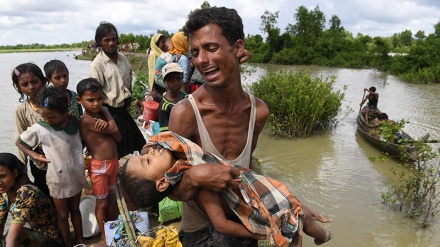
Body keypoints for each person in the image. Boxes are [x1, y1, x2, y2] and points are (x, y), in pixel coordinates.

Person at [166, 6, 270, 246]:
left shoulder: (258, 112)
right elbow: (169, 190)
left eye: (211, 48)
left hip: (244, 221)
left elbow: (248, 167)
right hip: (200, 233)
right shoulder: (185, 114)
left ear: (238, 48)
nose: (202, 60)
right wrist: (195, 177)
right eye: (195, 52)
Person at [122, 131, 333, 246]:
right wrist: (260, 235)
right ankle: (321, 236)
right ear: (161, 183)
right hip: (216, 231)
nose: (150, 153)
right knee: (295, 228)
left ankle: (321, 236)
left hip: (256, 192)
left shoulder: (190, 163)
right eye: (147, 162)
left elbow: (239, 170)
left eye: (144, 155)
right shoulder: (200, 183)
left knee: (300, 214)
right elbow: (221, 225)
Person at [15, 86, 89, 247]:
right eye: (45, 116)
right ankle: (68, 244)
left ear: (65, 112)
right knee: (62, 214)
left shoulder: (74, 123)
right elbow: (20, 142)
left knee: (75, 209)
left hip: (76, 174)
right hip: (57, 178)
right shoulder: (40, 128)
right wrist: (34, 155)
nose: (48, 120)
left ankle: (80, 241)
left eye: (53, 117)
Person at [89, 21, 146, 159]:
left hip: (123, 110)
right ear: (99, 42)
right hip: (109, 113)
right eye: (106, 40)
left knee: (142, 145)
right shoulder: (97, 65)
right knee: (116, 151)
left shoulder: (123, 58)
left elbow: (128, 82)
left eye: (113, 39)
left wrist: (132, 100)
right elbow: (93, 95)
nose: (111, 43)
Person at [76, 78, 121, 244]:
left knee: (112, 198)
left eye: (100, 99)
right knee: (101, 202)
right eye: (91, 100)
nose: (96, 104)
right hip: (99, 167)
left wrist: (105, 116)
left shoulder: (100, 116)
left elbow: (118, 137)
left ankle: (114, 229)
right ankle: (104, 236)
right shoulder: (86, 120)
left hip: (113, 162)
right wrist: (107, 112)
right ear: (79, 100)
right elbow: (114, 129)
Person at [0, 153, 63, 247]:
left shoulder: (27, 192)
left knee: (17, 235)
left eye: (2, 176)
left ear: (15, 173)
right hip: (32, 238)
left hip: (50, 240)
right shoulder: (4, 193)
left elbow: (12, 237)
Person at [11, 63, 50, 198]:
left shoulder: (56, 103)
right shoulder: (22, 111)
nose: (31, 87)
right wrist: (23, 173)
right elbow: (20, 141)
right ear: (19, 87)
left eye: (34, 82)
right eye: (25, 84)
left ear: (44, 81)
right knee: (46, 198)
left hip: (63, 161)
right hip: (40, 165)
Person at [158, 63, 187, 132]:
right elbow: (165, 133)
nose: (176, 82)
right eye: (171, 80)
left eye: (178, 78)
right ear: (165, 82)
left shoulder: (183, 95)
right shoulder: (164, 108)